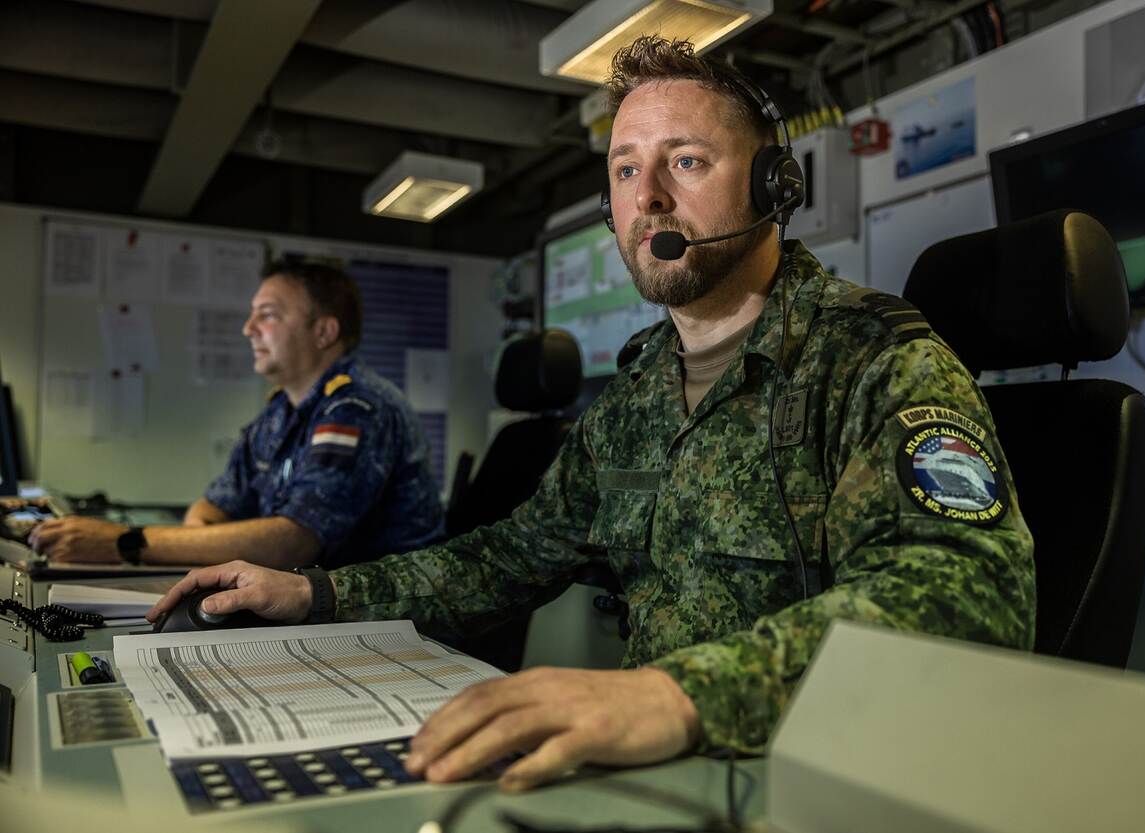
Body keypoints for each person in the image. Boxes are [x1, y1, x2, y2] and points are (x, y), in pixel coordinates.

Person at [148, 37, 1035, 791]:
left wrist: (675, 695)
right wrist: (318, 591)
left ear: (773, 186)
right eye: (625, 169)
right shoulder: (635, 395)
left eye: (686, 161)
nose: (647, 198)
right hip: (658, 779)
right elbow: (512, 556)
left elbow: (968, 595)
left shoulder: (874, 361)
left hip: (814, 779)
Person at [31, 259, 444, 569]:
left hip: (385, 618)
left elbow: (296, 542)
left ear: (323, 332)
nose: (248, 328)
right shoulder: (281, 411)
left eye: (268, 315)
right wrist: (198, 544)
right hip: (315, 603)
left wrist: (124, 542)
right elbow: (212, 507)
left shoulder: (357, 408)